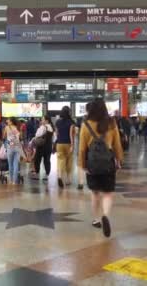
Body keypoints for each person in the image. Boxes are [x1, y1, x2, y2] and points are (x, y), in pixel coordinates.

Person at [78, 99, 123, 238]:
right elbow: (117, 144)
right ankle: (105, 215)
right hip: (108, 163)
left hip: (92, 164)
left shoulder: (86, 124)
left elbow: (82, 148)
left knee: (95, 193)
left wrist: (82, 165)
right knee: (108, 193)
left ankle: (97, 219)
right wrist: (119, 160)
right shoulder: (111, 123)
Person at [55, 106, 77, 189]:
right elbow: (71, 135)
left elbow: (56, 134)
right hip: (68, 143)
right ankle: (68, 180)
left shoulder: (57, 122)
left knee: (60, 160)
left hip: (59, 143)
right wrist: (72, 145)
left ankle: (60, 176)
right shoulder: (71, 122)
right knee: (69, 161)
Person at [33, 115, 54, 182]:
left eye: (42, 119)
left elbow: (37, 135)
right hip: (48, 146)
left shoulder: (43, 127)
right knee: (47, 161)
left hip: (41, 146)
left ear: (46, 120)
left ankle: (37, 173)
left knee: (37, 159)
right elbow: (54, 138)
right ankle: (47, 175)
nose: (41, 121)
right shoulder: (51, 127)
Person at [3, 118, 23, 185]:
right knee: (16, 164)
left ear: (11, 122)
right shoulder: (18, 127)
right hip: (17, 146)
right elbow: (21, 137)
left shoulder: (6, 127)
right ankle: (15, 181)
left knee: (10, 164)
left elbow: (4, 136)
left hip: (10, 147)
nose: (7, 121)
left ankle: (11, 180)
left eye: (8, 120)